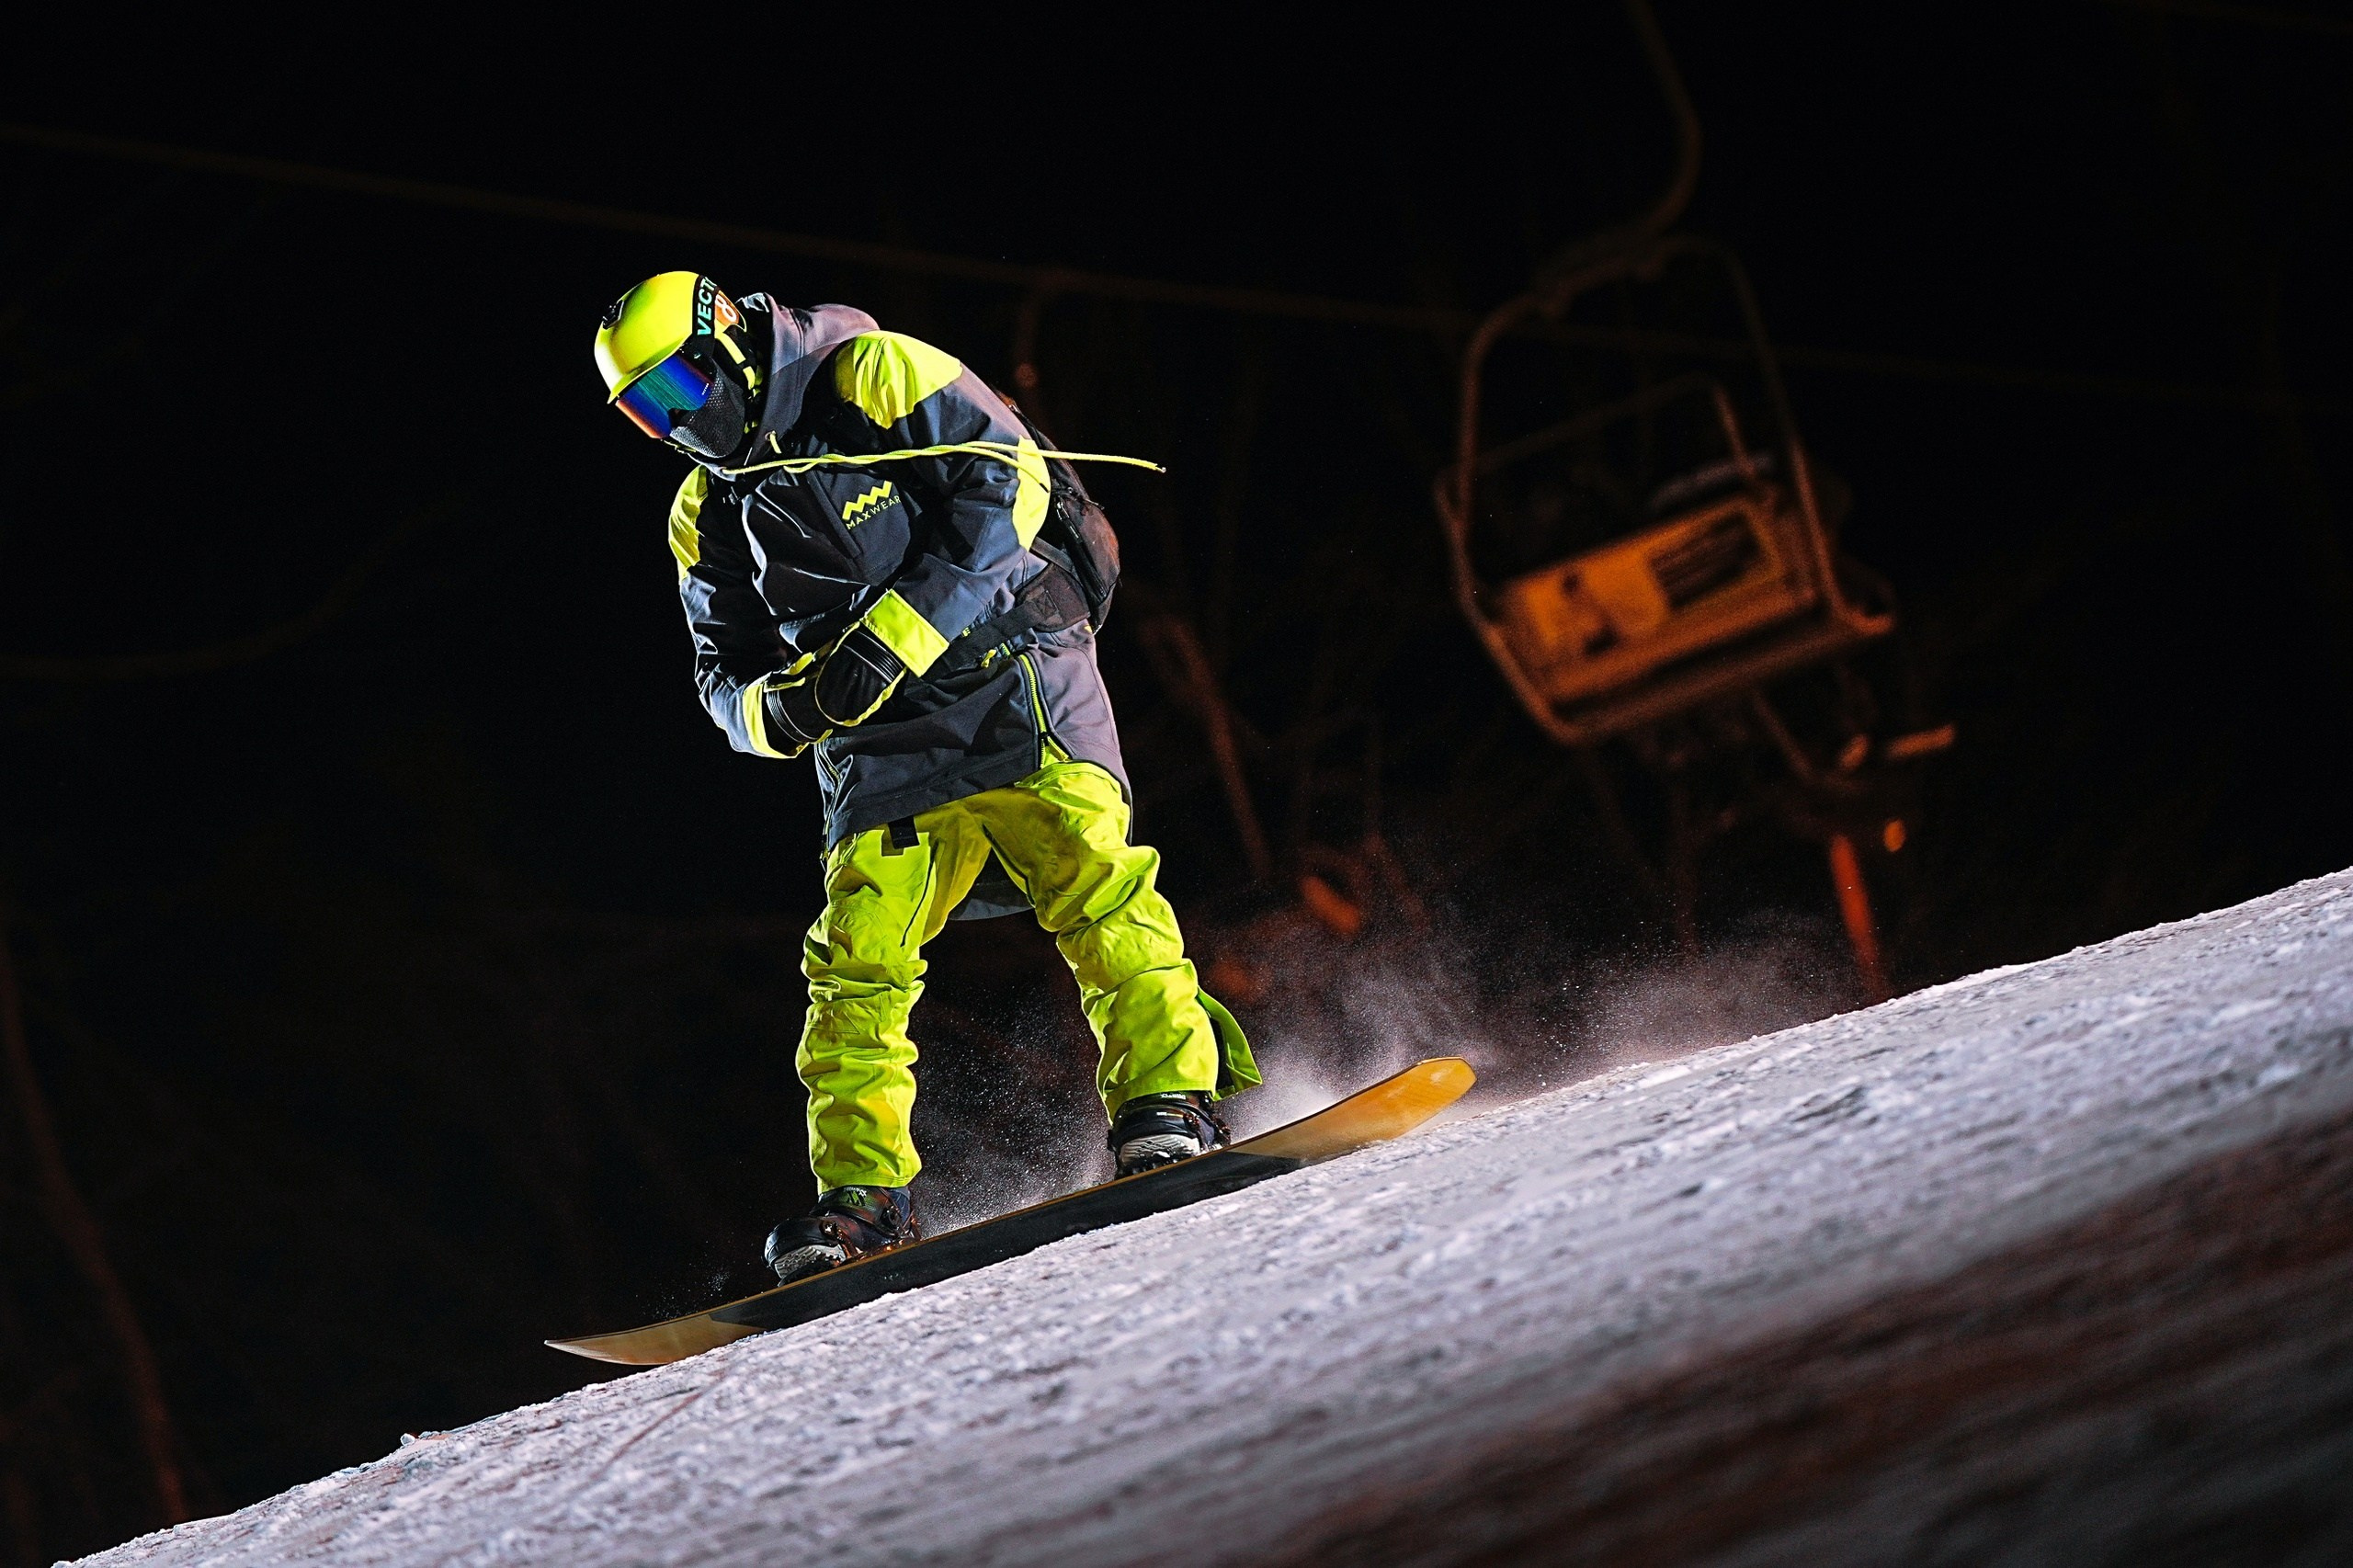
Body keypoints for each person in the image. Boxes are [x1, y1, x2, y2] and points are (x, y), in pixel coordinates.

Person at [592, 272, 1258, 1284]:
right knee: (855, 955)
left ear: (722, 336)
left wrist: (891, 641)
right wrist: (787, 713)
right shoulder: (708, 510)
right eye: (649, 412)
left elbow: (1011, 483)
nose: (680, 421)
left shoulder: (872, 371)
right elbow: (722, 675)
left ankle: (1168, 1100)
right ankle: (862, 1198)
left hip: (1008, 673)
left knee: (1092, 878)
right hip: (879, 749)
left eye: (680, 387)